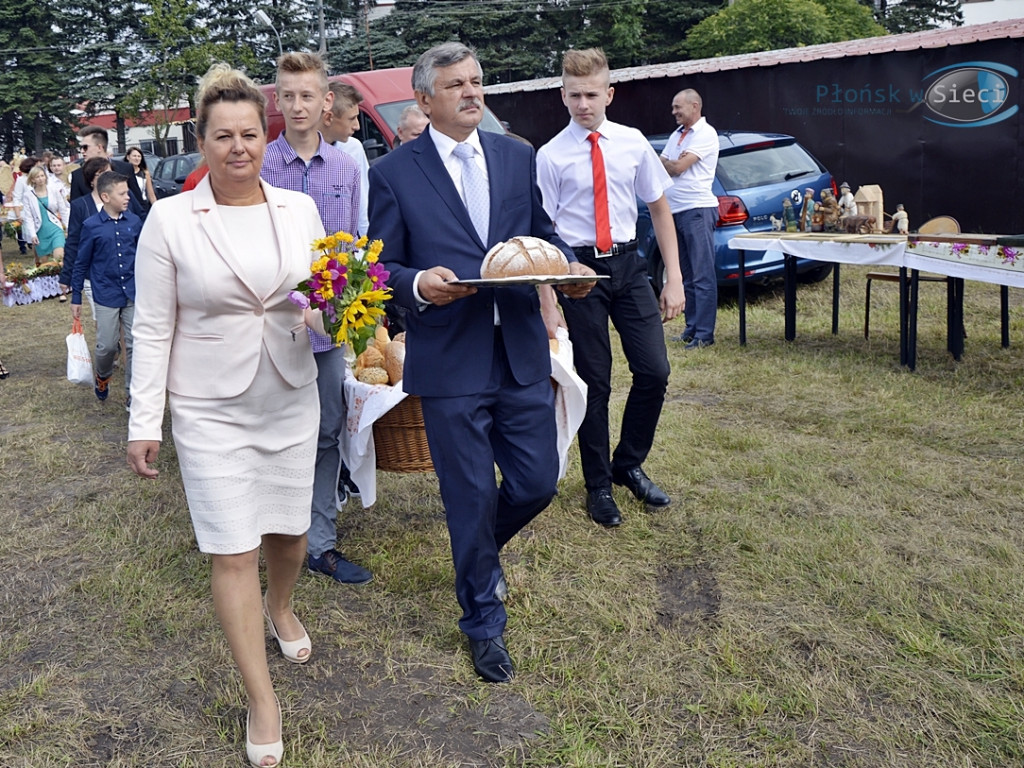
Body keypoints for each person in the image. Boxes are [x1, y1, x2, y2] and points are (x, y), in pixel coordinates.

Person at [369, 42, 596, 683]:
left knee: (536, 483)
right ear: (424, 99)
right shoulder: (393, 173)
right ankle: (483, 620)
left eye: (476, 81)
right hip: (449, 359)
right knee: (467, 497)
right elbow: (382, 267)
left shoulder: (515, 155)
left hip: (520, 351)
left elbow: (542, 235)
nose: (472, 92)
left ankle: (473, 553)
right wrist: (417, 284)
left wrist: (567, 268)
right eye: (456, 85)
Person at [127, 63, 326, 768]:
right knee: (232, 549)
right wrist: (143, 421)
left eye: (249, 134)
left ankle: (282, 605)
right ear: (202, 141)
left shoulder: (299, 211)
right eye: (223, 136)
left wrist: (342, 310)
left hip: (290, 395)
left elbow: (319, 294)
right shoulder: (170, 219)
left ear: (265, 139)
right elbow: (152, 326)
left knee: (290, 536)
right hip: (210, 408)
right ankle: (261, 697)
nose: (238, 147)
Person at [536, 48, 683, 528]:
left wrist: (674, 278)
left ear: (609, 93)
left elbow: (659, 209)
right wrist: (548, 299)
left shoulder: (632, 142)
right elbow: (543, 233)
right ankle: (598, 484)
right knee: (595, 382)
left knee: (654, 371)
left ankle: (628, 464)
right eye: (574, 95)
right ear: (563, 95)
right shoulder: (550, 155)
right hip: (579, 274)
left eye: (592, 94)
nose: (583, 104)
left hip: (629, 266)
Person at [260, 52, 370, 587]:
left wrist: (345, 315)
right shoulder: (261, 164)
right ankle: (265, 531)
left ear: (327, 102)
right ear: (276, 101)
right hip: (270, 324)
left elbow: (347, 250)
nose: (298, 105)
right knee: (273, 429)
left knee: (327, 430)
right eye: (288, 95)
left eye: (308, 96)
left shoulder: (347, 166)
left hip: (325, 329)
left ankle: (320, 543)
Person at [70, 171, 141, 407]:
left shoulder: (134, 222)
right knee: (107, 346)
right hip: (105, 293)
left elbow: (145, 256)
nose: (127, 196)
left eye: (127, 191)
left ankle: (133, 395)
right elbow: (81, 263)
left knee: (134, 345)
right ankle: (102, 376)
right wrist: (76, 296)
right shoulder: (91, 226)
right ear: (106, 197)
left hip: (132, 292)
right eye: (122, 193)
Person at [659, 88, 719, 349]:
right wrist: (668, 162)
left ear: (695, 106)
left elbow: (676, 168)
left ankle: (704, 335)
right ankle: (691, 329)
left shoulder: (706, 134)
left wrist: (670, 163)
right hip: (675, 211)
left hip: (697, 210)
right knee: (686, 275)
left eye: (677, 107)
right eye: (673, 108)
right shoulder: (677, 135)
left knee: (702, 274)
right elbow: (663, 163)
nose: (673, 112)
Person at [60, 157, 112, 314]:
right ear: (91, 180)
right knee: (102, 318)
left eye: (109, 173)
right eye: (101, 174)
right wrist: (66, 276)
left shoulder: (124, 200)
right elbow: (73, 241)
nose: (107, 178)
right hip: (94, 273)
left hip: (121, 271)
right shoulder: (80, 206)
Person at [320, 81, 370, 236]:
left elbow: (363, 198)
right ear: (329, 118)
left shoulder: (353, 148)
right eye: (352, 118)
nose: (357, 126)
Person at [69, 126, 146, 213]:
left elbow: (139, 204)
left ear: (99, 147)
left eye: (85, 147)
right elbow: (76, 211)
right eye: (81, 148)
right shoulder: (78, 175)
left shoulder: (125, 168)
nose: (82, 151)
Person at [20, 165, 70, 269]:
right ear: (32, 179)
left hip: (55, 228)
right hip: (40, 231)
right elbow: (28, 217)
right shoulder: (28, 195)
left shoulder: (54, 191)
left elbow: (63, 210)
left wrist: (68, 226)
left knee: (60, 258)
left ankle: (64, 281)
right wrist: (32, 234)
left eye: (42, 176)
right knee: (44, 265)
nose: (41, 179)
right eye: (37, 177)